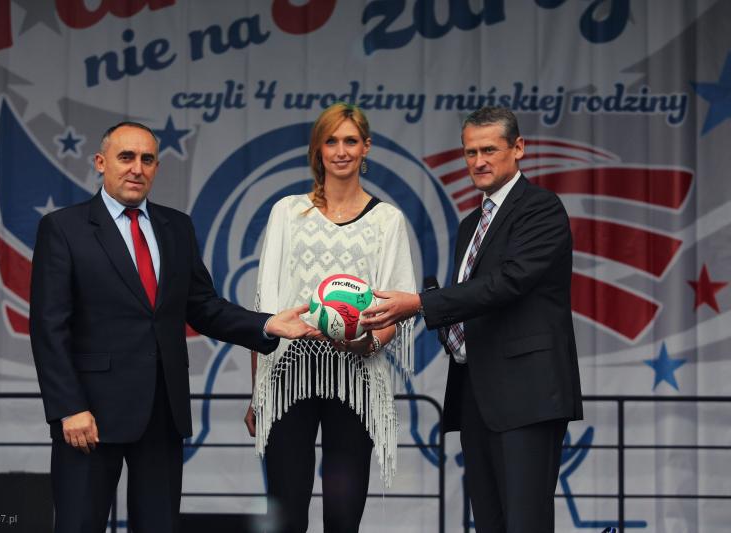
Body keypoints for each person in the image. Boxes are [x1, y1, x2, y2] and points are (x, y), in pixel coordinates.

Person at [29, 122, 317, 533]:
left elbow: (203, 307)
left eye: (147, 159)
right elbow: (49, 327)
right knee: (79, 525)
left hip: (162, 412)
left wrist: (267, 324)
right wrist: (68, 407)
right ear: (101, 163)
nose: (137, 168)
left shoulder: (176, 227)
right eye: (126, 157)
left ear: (156, 167)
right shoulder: (63, 228)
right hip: (88, 415)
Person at [360, 106, 583, 533]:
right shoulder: (470, 224)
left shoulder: (541, 208)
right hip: (477, 395)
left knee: (526, 524)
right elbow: (474, 302)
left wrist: (421, 304)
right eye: (470, 152)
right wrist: (443, 323)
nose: (478, 161)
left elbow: (508, 283)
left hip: (528, 396)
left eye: (489, 150)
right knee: (488, 523)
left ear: (519, 148)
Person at [244, 103, 416, 533]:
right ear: (318, 149)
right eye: (331, 141)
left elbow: (396, 310)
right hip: (289, 373)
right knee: (286, 515)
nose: (341, 151)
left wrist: (365, 342)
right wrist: (257, 390)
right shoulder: (287, 212)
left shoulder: (388, 221)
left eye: (351, 141)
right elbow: (265, 307)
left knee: (343, 517)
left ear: (366, 147)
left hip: (355, 377)